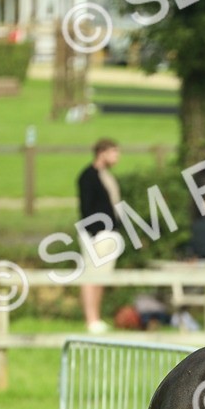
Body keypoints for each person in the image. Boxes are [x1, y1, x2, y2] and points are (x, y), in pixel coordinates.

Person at [76, 138, 126, 334]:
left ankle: (96, 317)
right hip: (95, 234)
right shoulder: (88, 176)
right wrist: (94, 234)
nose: (117, 157)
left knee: (102, 276)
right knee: (91, 275)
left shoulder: (106, 176)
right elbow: (87, 208)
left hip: (108, 234)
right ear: (102, 153)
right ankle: (90, 318)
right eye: (114, 152)